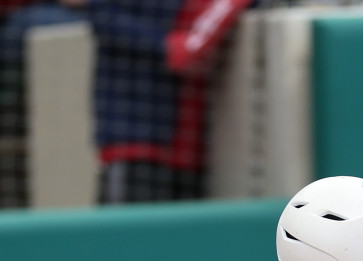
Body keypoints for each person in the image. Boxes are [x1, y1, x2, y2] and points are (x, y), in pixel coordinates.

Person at [85, 0, 256, 203]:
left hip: (194, 148)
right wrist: (166, 46)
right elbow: (101, 15)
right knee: (128, 231)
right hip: (136, 139)